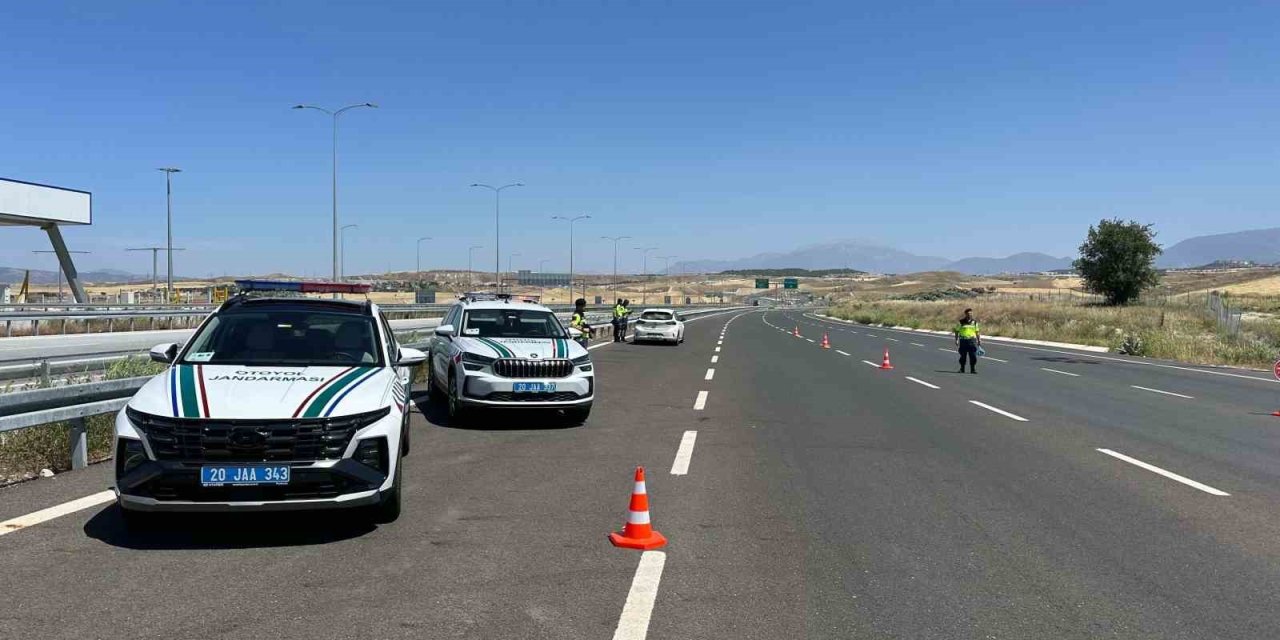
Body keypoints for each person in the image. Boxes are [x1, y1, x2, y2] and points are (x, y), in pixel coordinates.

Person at [954, 308, 981, 374]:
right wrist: (956, 340)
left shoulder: (974, 322)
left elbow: (977, 332)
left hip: (972, 341)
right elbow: (956, 331)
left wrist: (979, 340)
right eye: (968, 313)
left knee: (973, 356)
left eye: (971, 313)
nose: (969, 315)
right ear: (965, 314)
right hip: (963, 341)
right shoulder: (961, 322)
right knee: (963, 356)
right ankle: (962, 369)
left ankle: (973, 369)